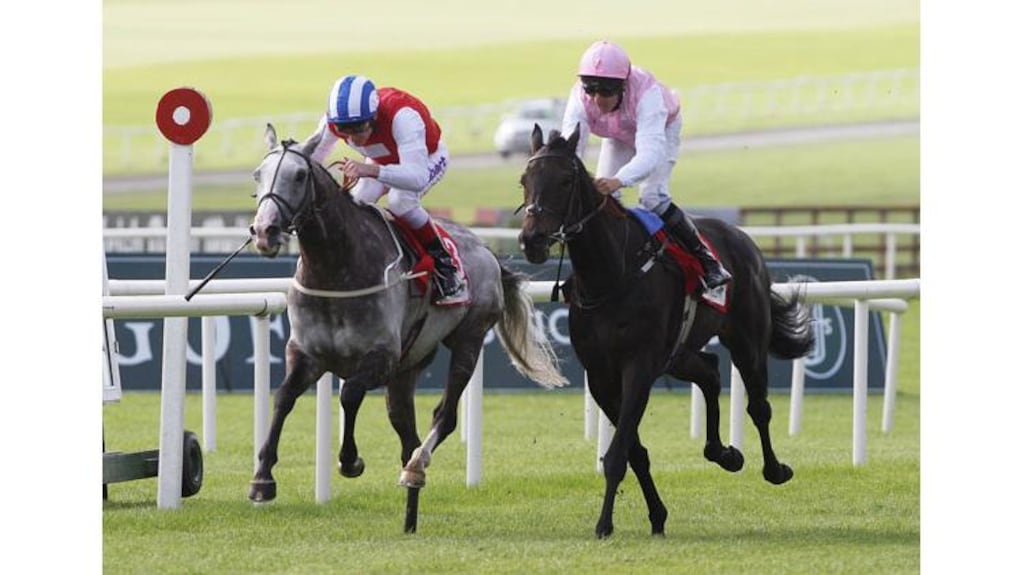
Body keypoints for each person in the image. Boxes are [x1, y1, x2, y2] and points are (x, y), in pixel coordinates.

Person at [559, 40, 731, 290]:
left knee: (652, 197)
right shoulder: (579, 97)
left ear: (622, 86)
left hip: (660, 130)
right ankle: (600, 267)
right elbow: (571, 148)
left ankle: (708, 261)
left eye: (606, 91)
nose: (597, 99)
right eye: (591, 89)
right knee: (601, 200)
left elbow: (650, 154)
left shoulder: (646, 93)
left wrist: (619, 179)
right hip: (619, 135)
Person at [308, 74, 465, 304]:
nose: (353, 137)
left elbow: (417, 177)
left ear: (374, 117)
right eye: (345, 130)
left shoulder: (403, 117)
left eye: (359, 128)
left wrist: (370, 171)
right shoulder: (334, 121)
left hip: (426, 159)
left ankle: (445, 265)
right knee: (357, 201)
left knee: (400, 202)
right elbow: (311, 160)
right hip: (384, 161)